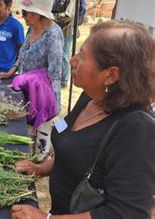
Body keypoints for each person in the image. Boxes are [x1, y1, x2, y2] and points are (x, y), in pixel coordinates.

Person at [12, 21, 154, 219]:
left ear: (110, 75)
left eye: (83, 57)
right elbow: (74, 153)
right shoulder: (91, 97)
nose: (71, 60)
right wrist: (40, 168)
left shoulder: (136, 129)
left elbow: (126, 213)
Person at [2, 0, 64, 161]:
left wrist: (32, 84)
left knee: (42, 142)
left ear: (37, 14)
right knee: (28, 136)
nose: (23, 16)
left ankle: (40, 166)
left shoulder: (53, 34)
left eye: (25, 13)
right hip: (28, 93)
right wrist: (12, 71)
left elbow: (54, 72)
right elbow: (23, 55)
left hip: (44, 97)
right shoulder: (33, 28)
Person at [53, 0, 76, 89]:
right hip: (60, 30)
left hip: (67, 31)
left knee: (64, 56)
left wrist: (53, 17)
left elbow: (68, 15)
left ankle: (64, 81)